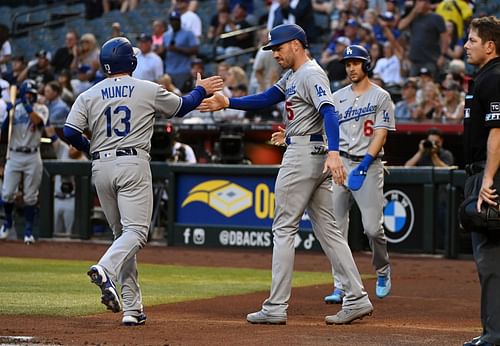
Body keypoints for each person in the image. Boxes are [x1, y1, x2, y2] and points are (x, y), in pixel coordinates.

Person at [198, 24, 373, 325]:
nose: (274, 53)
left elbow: (329, 111)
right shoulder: (294, 75)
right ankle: (356, 297)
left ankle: (276, 306)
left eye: (278, 47)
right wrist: (228, 102)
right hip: (308, 151)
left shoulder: (310, 73)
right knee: (329, 231)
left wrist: (334, 151)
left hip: (305, 156)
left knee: (283, 229)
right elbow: (267, 98)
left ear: (296, 44)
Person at [63, 37, 222, 326]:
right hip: (132, 163)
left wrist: (91, 149)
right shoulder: (146, 89)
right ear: (131, 62)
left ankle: (132, 309)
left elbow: (70, 132)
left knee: (122, 236)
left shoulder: (89, 93)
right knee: (136, 233)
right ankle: (105, 269)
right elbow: (183, 107)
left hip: (101, 165)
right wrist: (201, 89)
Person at [322, 45, 394, 304]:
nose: (351, 67)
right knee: (336, 230)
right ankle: (341, 285)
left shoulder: (381, 96)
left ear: (367, 64)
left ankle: (383, 270)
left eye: (356, 62)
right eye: (348, 63)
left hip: (369, 165)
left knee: (373, 229)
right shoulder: (337, 96)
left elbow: (381, 133)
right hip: (341, 164)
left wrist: (364, 164)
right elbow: (328, 131)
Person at [461, 16, 500, 346]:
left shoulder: (494, 77)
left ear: (490, 46)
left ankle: (494, 335)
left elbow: (498, 131)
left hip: (489, 174)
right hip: (485, 171)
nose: (465, 46)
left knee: (489, 259)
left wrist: (488, 178)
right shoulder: (485, 77)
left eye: (472, 40)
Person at [0, 79, 49, 244]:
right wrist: (8, 115)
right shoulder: (14, 109)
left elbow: (37, 122)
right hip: (14, 154)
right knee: (7, 194)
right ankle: (8, 223)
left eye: (31, 94)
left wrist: (26, 105)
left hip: (32, 155)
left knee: (30, 196)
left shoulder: (41, 108)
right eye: (26, 94)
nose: (29, 96)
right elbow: (3, 135)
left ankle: (28, 230)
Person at [398, 0, 447, 79]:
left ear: (427, 3)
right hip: (414, 60)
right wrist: (414, 12)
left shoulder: (437, 18)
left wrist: (443, 55)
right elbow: (400, 27)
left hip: (430, 60)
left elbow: (445, 38)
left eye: (420, 2)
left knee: (428, 83)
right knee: (412, 84)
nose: (418, 4)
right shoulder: (413, 17)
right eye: (417, 2)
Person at [163, 10, 199, 89]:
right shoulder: (166, 35)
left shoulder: (188, 33)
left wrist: (178, 49)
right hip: (169, 71)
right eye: (172, 20)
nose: (174, 22)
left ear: (180, 20)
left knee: (183, 95)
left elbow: (195, 50)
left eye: (176, 20)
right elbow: (163, 51)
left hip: (184, 70)